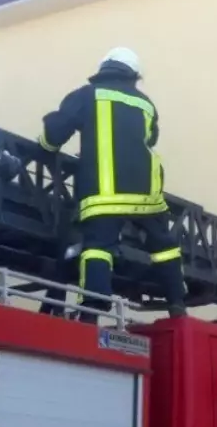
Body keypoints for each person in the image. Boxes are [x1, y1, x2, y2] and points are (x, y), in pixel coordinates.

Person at [38, 47, 186, 324]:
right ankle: (177, 303)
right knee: (164, 246)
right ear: (133, 75)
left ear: (103, 68)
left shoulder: (86, 95)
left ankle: (93, 307)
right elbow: (151, 138)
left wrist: (46, 145)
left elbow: (53, 134)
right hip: (147, 195)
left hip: (104, 195)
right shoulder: (146, 103)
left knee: (98, 246)